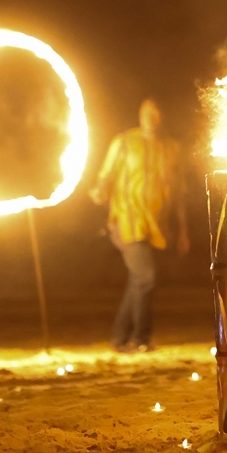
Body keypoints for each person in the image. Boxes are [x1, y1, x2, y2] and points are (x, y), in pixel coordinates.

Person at [90, 98, 190, 352]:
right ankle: (142, 338)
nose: (151, 117)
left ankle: (119, 338)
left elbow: (179, 193)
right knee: (146, 277)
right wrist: (100, 191)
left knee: (139, 279)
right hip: (126, 221)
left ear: (162, 116)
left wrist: (183, 231)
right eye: (147, 112)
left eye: (156, 113)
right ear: (140, 114)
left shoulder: (172, 149)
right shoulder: (123, 143)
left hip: (155, 226)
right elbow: (105, 177)